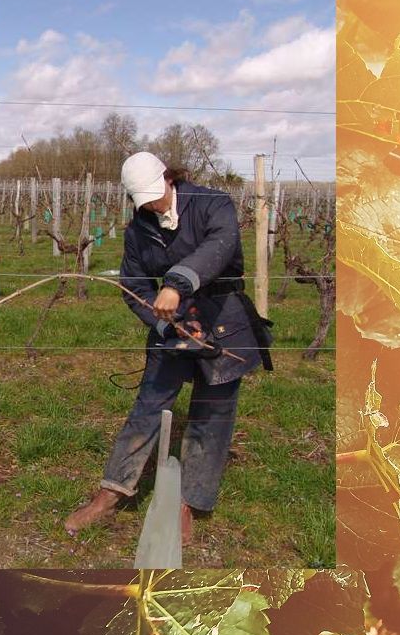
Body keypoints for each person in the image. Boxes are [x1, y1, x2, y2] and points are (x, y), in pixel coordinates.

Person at [64, 151, 271, 538]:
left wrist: (176, 284)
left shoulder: (212, 204)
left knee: (212, 413)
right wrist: (165, 327)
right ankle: (111, 492)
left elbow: (221, 246)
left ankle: (187, 502)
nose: (152, 205)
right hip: (173, 321)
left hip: (223, 317)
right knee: (149, 404)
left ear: (169, 179)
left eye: (155, 194)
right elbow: (135, 287)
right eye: (143, 200)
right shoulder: (138, 230)